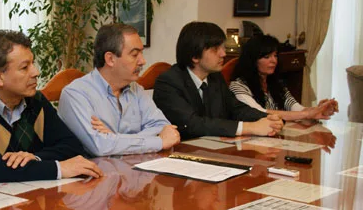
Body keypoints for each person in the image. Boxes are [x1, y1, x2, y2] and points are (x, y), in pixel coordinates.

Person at [0, 30, 103, 183]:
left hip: (33, 197)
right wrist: (57, 169)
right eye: (24, 67)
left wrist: (35, 158)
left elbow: (72, 146)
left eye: (32, 63)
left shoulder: (35, 100)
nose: (36, 72)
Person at [58, 23, 180, 156]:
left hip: (134, 169)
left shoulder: (135, 89)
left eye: (141, 53)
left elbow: (163, 127)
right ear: (110, 59)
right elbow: (100, 146)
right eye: (134, 55)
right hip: (95, 174)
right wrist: (158, 142)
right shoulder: (76, 94)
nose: (142, 61)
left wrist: (115, 138)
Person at [153, 21, 284, 140]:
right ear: (195, 56)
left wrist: (268, 119)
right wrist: (251, 127)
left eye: (223, 47)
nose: (223, 54)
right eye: (216, 49)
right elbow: (193, 124)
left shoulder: (215, 77)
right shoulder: (168, 82)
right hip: (182, 154)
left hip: (213, 148)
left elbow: (236, 109)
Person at [230, 34, 339, 121]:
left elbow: (296, 108)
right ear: (252, 60)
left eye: (275, 55)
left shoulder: (275, 83)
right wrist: (307, 114)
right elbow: (260, 113)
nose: (274, 60)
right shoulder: (238, 86)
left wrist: (319, 110)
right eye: (267, 57)